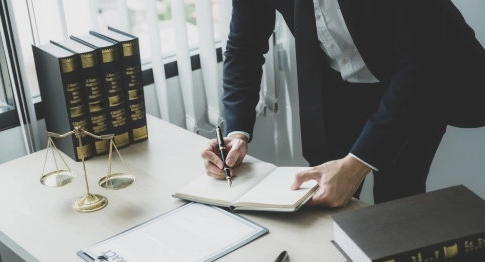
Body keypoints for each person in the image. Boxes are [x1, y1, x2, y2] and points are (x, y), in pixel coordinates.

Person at [201, 0, 485, 207]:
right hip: (338, 85)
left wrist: (356, 164)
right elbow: (244, 48)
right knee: (325, 195)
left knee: (398, 198)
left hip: (420, 79)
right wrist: (236, 133)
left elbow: (420, 67)